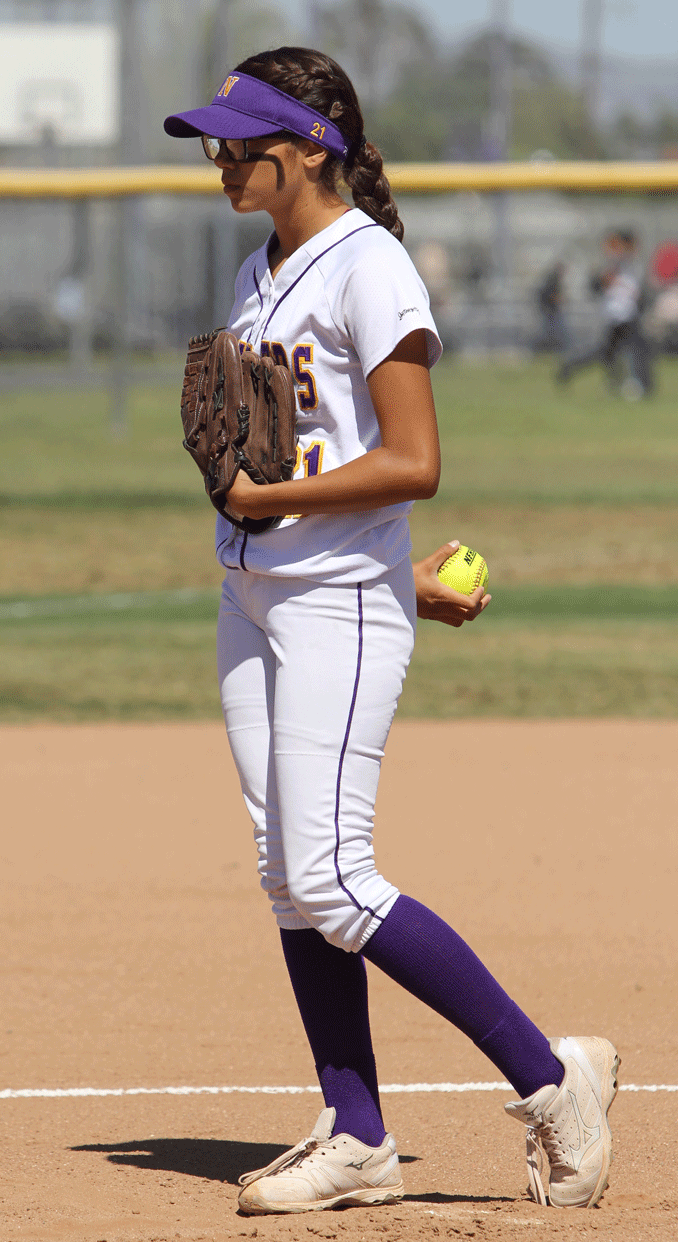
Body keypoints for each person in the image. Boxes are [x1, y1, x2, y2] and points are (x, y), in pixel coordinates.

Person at [164, 47, 619, 1216]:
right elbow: (315, 455)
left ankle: (551, 1082)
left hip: (328, 613)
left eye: (238, 139)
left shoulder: (370, 268)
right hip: (258, 601)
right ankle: (357, 1134)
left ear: (306, 148)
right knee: (285, 877)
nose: (219, 158)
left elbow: (415, 459)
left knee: (334, 876)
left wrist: (281, 514)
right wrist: (378, 567)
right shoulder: (254, 270)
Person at [558, 228, 653, 397]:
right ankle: (571, 366)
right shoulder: (610, 265)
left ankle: (634, 385)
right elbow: (594, 287)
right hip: (617, 317)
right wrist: (603, 281)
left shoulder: (633, 265)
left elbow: (641, 292)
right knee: (613, 352)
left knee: (621, 351)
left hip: (629, 317)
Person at [534, 260, 568, 354]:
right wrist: (559, 299)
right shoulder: (553, 279)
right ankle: (547, 349)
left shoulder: (553, 278)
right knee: (552, 331)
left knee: (552, 330)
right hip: (549, 309)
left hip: (550, 309)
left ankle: (551, 348)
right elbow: (550, 294)